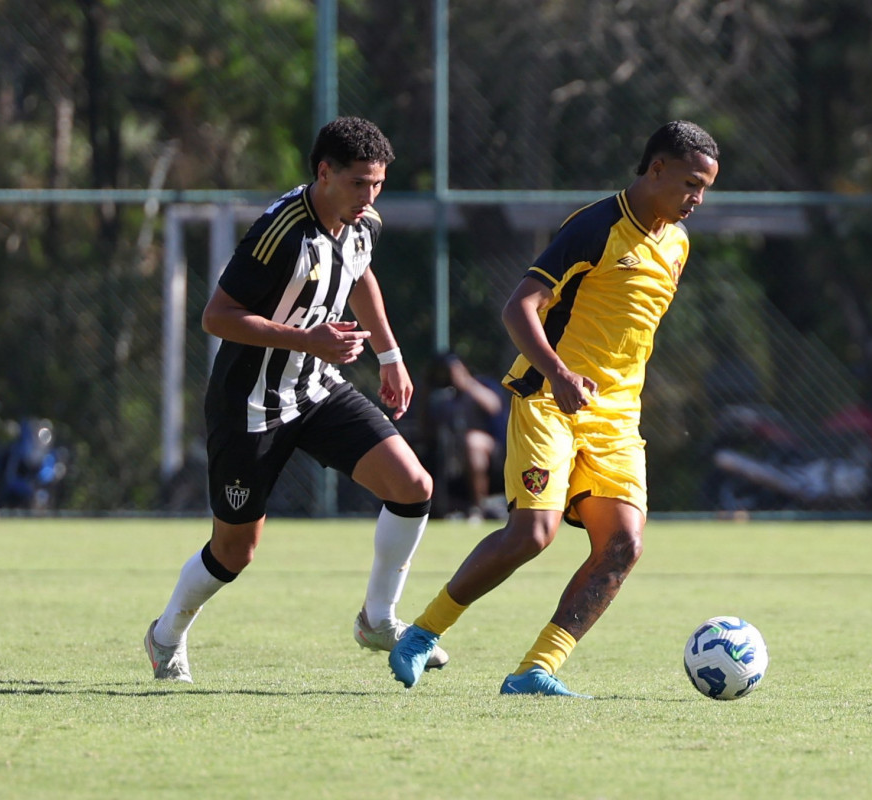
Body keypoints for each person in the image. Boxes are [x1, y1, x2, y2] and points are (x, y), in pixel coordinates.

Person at [388, 121, 719, 696]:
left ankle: (535, 671)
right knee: (531, 534)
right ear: (656, 169)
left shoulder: (678, 245)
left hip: (616, 418)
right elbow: (520, 307)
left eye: (706, 189)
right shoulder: (595, 227)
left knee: (623, 545)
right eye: (691, 183)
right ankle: (422, 633)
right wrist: (560, 373)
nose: (697, 199)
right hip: (549, 396)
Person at [144, 116, 448, 682]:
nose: (370, 196)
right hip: (251, 405)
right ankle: (166, 635)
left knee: (413, 486)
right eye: (359, 183)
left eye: (378, 183)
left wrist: (390, 355)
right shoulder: (279, 232)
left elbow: (360, 275)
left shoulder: (363, 224)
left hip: (315, 388)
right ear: (324, 172)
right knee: (235, 552)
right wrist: (306, 338)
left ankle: (378, 620)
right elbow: (217, 317)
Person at [419, 352, 509, 519]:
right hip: (450, 454)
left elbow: (495, 407)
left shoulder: (481, 384)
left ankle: (478, 508)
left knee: (472, 441)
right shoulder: (439, 395)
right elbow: (425, 430)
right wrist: (427, 388)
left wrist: (465, 382)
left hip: (495, 453)